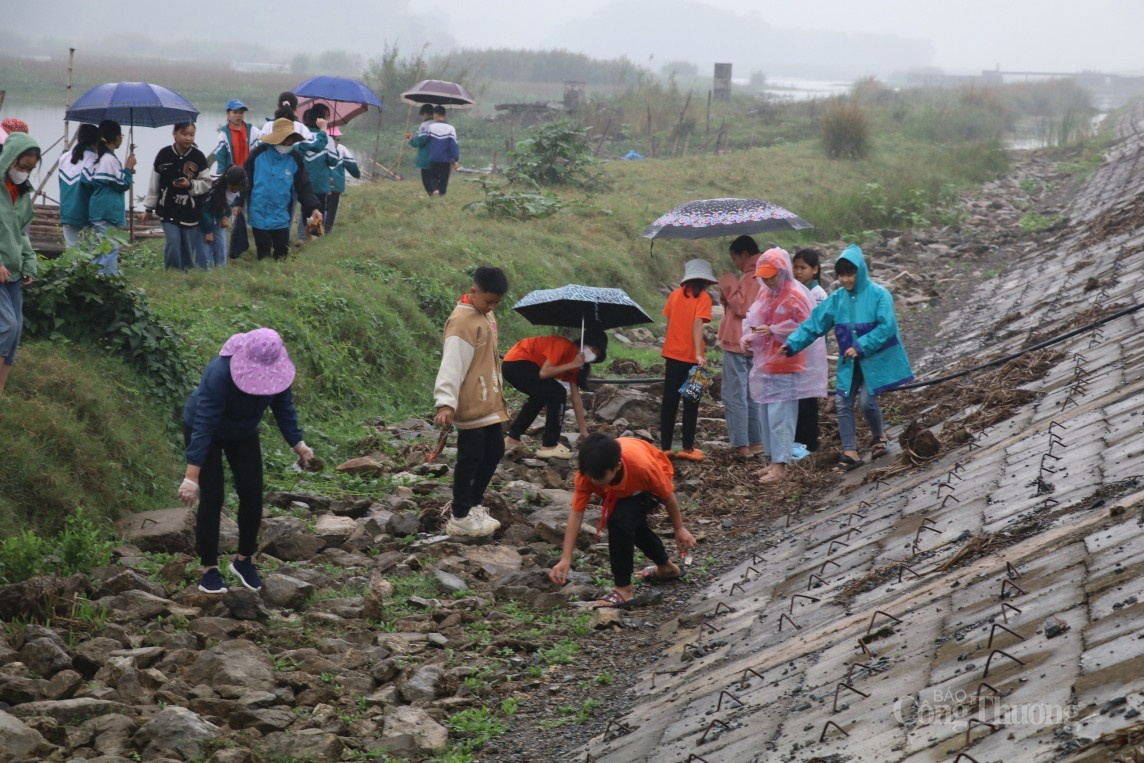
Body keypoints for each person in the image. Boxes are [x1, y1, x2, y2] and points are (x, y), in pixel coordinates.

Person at [179, 328, 317, 593]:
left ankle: (244, 561)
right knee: (213, 497)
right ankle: (208, 569)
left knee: (252, 494)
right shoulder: (220, 373)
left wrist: (299, 445)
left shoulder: (279, 373)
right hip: (205, 428)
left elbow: (283, 407)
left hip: (243, 431)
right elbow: (204, 424)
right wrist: (191, 476)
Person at [783, 244, 914, 472]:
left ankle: (878, 436)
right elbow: (815, 324)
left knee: (866, 401)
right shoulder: (837, 300)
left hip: (875, 361)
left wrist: (861, 346)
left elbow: (887, 328)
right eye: (841, 275)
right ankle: (849, 451)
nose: (845, 280)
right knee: (842, 402)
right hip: (850, 364)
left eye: (850, 274)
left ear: (860, 272)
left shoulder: (879, 295)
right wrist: (792, 344)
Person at [549, 433, 697, 609]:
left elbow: (668, 496)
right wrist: (566, 558)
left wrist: (679, 528)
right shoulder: (586, 474)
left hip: (648, 483)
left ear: (617, 466)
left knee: (619, 520)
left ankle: (623, 589)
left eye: (601, 480)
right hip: (622, 491)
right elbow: (576, 514)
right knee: (630, 522)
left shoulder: (642, 467)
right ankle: (667, 568)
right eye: (592, 480)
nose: (596, 484)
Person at [433, 266, 510, 538]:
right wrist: (445, 402)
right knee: (471, 457)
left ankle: (475, 503)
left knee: (494, 451)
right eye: (489, 300)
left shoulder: (484, 314)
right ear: (473, 291)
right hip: (470, 401)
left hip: (489, 401)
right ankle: (460, 515)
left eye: (496, 303)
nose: (492, 306)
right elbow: (452, 363)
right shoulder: (463, 321)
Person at [741, 248, 825, 484]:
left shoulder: (796, 294)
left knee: (782, 417)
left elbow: (807, 327)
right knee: (766, 415)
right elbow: (754, 322)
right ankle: (772, 460)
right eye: (763, 276)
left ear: (781, 271)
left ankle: (781, 465)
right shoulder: (765, 294)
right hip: (767, 363)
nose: (767, 280)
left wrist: (777, 331)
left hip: (788, 362)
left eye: (771, 275)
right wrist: (748, 338)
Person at [502, 329, 608, 459]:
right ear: (584, 343)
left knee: (540, 397)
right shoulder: (562, 345)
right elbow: (544, 373)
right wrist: (572, 364)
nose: (594, 354)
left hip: (522, 365)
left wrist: (583, 431)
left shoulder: (576, 366)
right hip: (517, 362)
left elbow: (576, 399)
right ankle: (549, 445)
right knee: (557, 393)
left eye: (597, 354)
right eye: (594, 349)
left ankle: (513, 438)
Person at [242, 118, 322, 262]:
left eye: (290, 140)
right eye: (284, 139)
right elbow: (244, 181)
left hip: (281, 214)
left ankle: (280, 279)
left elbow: (303, 185)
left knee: (282, 252)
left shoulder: (294, 158)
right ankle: (264, 281)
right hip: (258, 212)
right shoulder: (257, 154)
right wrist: (237, 203)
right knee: (263, 252)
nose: (288, 143)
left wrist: (314, 207)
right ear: (275, 139)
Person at [660, 258, 716, 461]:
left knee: (669, 402)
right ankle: (687, 448)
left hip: (672, 355)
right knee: (691, 402)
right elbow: (697, 323)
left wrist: (669, 346)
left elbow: (669, 323)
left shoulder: (674, 295)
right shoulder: (704, 298)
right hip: (694, 360)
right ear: (705, 281)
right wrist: (698, 354)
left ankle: (665, 447)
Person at [717, 235, 766, 460]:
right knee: (751, 392)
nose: (735, 263)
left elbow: (743, 308)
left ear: (744, 254)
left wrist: (727, 282)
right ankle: (755, 441)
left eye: (735, 258)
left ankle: (741, 444)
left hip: (738, 341)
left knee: (735, 393)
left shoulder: (752, 275)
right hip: (754, 340)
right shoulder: (764, 272)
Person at [0, 132, 41, 395]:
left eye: (30, 169)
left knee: (16, 332)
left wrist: (30, 263)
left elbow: (21, 234)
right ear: (9, 160)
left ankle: (0, 391)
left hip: (13, 272)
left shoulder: (23, 194)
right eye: (21, 167)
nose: (24, 172)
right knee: (6, 326)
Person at [144, 122, 211, 271]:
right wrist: (149, 208)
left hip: (190, 210)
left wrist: (190, 185)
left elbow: (207, 183)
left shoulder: (198, 157)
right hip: (167, 208)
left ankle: (186, 275)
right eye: (184, 134)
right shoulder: (164, 154)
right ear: (174, 133)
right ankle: (172, 273)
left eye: (191, 135)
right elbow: (154, 182)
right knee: (173, 243)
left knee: (187, 248)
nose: (188, 138)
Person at [791, 248, 829, 452]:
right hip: (799, 353)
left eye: (803, 268)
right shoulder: (799, 291)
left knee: (807, 402)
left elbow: (817, 325)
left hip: (811, 355)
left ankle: (809, 445)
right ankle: (800, 442)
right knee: (799, 400)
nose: (798, 272)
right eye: (795, 267)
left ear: (815, 270)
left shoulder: (818, 294)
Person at [88, 120, 136, 275]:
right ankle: (106, 282)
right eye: (121, 135)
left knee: (98, 249)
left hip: (99, 209)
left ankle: (94, 279)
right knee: (109, 248)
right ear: (116, 138)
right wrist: (128, 168)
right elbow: (122, 184)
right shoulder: (109, 159)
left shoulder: (100, 157)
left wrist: (125, 171)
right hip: (107, 211)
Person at [212, 98, 255, 259]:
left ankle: (245, 247)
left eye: (241, 112)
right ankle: (230, 249)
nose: (238, 116)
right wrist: (221, 182)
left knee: (247, 211)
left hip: (248, 178)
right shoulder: (224, 135)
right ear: (228, 114)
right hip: (232, 180)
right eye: (235, 112)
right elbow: (221, 160)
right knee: (229, 212)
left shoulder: (252, 131)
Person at [296, 104, 336, 243]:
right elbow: (333, 161)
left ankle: (303, 238)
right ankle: (314, 237)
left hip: (303, 183)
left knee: (305, 209)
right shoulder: (327, 139)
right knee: (319, 209)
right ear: (322, 119)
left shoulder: (302, 137)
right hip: (320, 184)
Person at [58, 123, 99, 248]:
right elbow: (95, 190)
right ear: (96, 140)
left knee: (72, 253)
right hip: (85, 214)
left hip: (67, 213)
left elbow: (61, 185)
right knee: (90, 254)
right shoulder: (95, 159)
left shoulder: (64, 157)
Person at [199, 166, 247, 269]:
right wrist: (208, 231)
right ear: (226, 179)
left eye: (237, 188)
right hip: (203, 221)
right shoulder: (214, 190)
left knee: (221, 248)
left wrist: (226, 215)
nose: (234, 190)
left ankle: (221, 275)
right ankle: (204, 276)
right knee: (206, 251)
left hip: (218, 218)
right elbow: (204, 211)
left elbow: (233, 202)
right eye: (232, 187)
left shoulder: (241, 187)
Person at [325, 126, 360, 232]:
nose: (336, 141)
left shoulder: (319, 148)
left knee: (322, 207)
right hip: (335, 185)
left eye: (336, 138)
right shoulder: (342, 149)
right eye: (335, 138)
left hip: (322, 185)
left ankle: (320, 230)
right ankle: (327, 230)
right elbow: (352, 167)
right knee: (332, 210)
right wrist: (357, 175)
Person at [425, 105, 459, 197]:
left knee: (433, 176)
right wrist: (455, 159)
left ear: (435, 115)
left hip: (434, 158)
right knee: (444, 178)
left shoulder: (431, 127)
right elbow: (453, 145)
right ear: (445, 115)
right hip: (445, 159)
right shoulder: (451, 128)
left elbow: (428, 141)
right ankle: (442, 195)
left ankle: (435, 189)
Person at [406, 103, 436, 196]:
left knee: (426, 179)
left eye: (423, 114)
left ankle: (433, 196)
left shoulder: (425, 125)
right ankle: (438, 195)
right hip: (439, 157)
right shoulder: (439, 124)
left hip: (427, 158)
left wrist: (410, 139)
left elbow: (419, 141)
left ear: (425, 113)